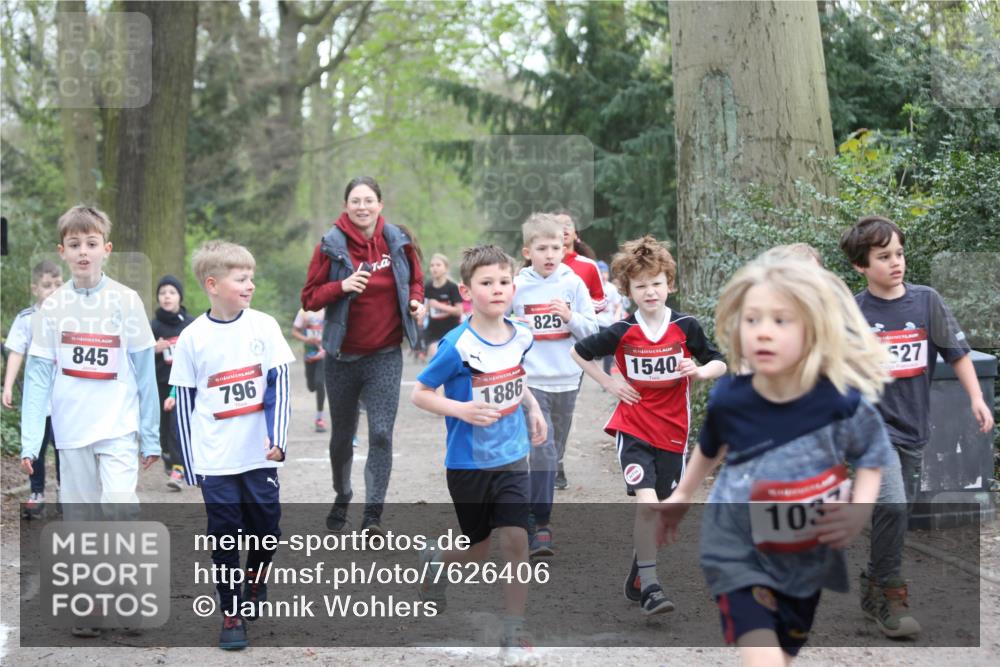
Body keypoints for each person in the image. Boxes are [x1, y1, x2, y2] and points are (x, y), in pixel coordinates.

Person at [655, 255, 895, 665]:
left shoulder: (839, 400)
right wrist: (682, 495)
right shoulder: (732, 397)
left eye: (780, 321)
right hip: (736, 547)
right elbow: (711, 447)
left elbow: (872, 455)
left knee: (782, 652)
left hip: (805, 555)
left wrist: (858, 511)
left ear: (813, 329)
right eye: (752, 320)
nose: (763, 331)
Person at [839, 215, 994, 638]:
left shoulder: (927, 302)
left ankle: (873, 585)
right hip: (870, 428)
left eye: (899, 253)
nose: (896, 262)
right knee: (891, 504)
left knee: (897, 510)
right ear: (860, 265)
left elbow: (956, 353)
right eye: (884, 257)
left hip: (913, 426)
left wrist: (976, 398)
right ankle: (891, 598)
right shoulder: (853, 313)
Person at [19, 205, 160, 637]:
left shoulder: (126, 301)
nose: (84, 251)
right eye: (75, 244)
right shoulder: (51, 308)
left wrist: (151, 436)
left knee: (119, 510)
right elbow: (37, 378)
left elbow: (144, 372)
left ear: (106, 249)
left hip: (118, 427)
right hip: (72, 431)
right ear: (62, 251)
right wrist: (30, 442)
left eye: (91, 243)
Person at [570, 235, 726, 617]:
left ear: (669, 284)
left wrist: (699, 371)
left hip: (673, 432)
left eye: (656, 283)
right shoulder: (622, 331)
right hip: (633, 426)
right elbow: (579, 351)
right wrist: (609, 382)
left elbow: (719, 361)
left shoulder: (686, 326)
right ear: (628, 290)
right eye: (640, 286)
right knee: (648, 504)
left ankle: (640, 572)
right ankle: (652, 588)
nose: (650, 291)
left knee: (661, 511)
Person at [410, 244, 546, 666]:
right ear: (467, 291)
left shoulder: (521, 334)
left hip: (512, 457)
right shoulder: (456, 344)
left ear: (513, 287)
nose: (498, 289)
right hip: (468, 463)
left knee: (516, 540)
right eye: (487, 283)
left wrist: (533, 407)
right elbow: (421, 393)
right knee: (478, 550)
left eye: (504, 281)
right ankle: (436, 560)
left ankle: (514, 628)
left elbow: (516, 375)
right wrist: (462, 409)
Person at [170, 241, 294, 650]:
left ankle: (255, 580)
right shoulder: (192, 337)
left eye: (251, 278)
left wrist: (278, 439)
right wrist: (191, 464)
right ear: (212, 284)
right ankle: (231, 612)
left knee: (267, 532)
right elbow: (184, 402)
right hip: (215, 458)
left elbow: (280, 385)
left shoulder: (264, 327)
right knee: (224, 536)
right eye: (241, 279)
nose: (250, 285)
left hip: (259, 455)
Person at [301, 176, 426, 535]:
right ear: (346, 206)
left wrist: (416, 302)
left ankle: (373, 515)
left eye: (368, 200)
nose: (362, 207)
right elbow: (309, 298)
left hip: (384, 355)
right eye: (355, 201)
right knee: (342, 437)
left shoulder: (398, 242)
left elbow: (415, 282)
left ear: (379, 205)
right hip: (341, 357)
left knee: (382, 433)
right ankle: (343, 494)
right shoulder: (330, 245)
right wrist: (340, 286)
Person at [512, 213, 598, 555]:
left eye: (556, 248)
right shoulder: (516, 286)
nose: (550, 255)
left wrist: (570, 316)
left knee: (553, 453)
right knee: (542, 450)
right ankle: (540, 524)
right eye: (542, 248)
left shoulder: (573, 284)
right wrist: (514, 325)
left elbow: (592, 332)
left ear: (565, 249)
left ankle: (533, 507)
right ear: (527, 252)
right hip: (531, 383)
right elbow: (499, 326)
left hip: (567, 380)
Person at [3, 260, 63, 516]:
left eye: (58, 285)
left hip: (65, 396)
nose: (54, 290)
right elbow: (16, 352)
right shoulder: (27, 319)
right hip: (38, 396)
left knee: (64, 446)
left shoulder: (73, 317)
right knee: (35, 445)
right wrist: (8, 386)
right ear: (35, 289)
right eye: (47, 286)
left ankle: (64, 490)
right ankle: (36, 492)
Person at [150, 274, 191, 490]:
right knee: (163, 430)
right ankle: (168, 456)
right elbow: (138, 356)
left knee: (178, 426)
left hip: (183, 385)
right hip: (160, 383)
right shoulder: (153, 326)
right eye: (162, 293)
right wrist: (153, 350)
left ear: (180, 297)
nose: (167, 296)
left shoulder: (190, 324)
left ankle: (178, 468)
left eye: (172, 292)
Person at [555, 212, 605, 314]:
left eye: (568, 224)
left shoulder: (589, 266)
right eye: (558, 225)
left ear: (576, 235)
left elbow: (601, 301)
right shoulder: (540, 267)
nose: (564, 228)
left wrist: (576, 308)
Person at [291, 308, 328, 432]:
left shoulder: (327, 310)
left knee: (320, 383)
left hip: (323, 353)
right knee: (312, 386)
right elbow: (294, 332)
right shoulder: (303, 312)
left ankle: (319, 419)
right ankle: (313, 386)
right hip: (309, 353)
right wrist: (306, 338)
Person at [423, 253, 463, 360]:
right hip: (433, 331)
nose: (434, 268)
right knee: (436, 357)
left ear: (446, 268)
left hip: (451, 330)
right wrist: (420, 315)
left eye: (438, 265)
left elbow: (459, 311)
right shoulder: (428, 286)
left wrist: (439, 306)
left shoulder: (452, 287)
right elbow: (427, 307)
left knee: (448, 360)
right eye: (432, 265)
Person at [595, 259, 626, 376]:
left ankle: (607, 375)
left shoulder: (611, 288)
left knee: (609, 350)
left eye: (605, 273)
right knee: (595, 352)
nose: (603, 276)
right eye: (600, 273)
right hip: (595, 324)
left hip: (608, 323)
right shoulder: (590, 287)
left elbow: (618, 305)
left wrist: (617, 316)